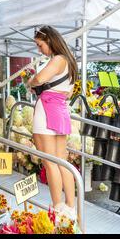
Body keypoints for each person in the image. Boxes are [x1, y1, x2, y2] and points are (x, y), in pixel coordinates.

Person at [27, 25, 78, 220]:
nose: (40, 50)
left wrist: (31, 82)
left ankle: (57, 208)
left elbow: (39, 78)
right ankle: (70, 208)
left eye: (40, 45)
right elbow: (69, 91)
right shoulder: (70, 61)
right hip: (61, 110)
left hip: (47, 110)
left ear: (50, 41)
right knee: (61, 162)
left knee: (50, 163)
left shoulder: (58, 59)